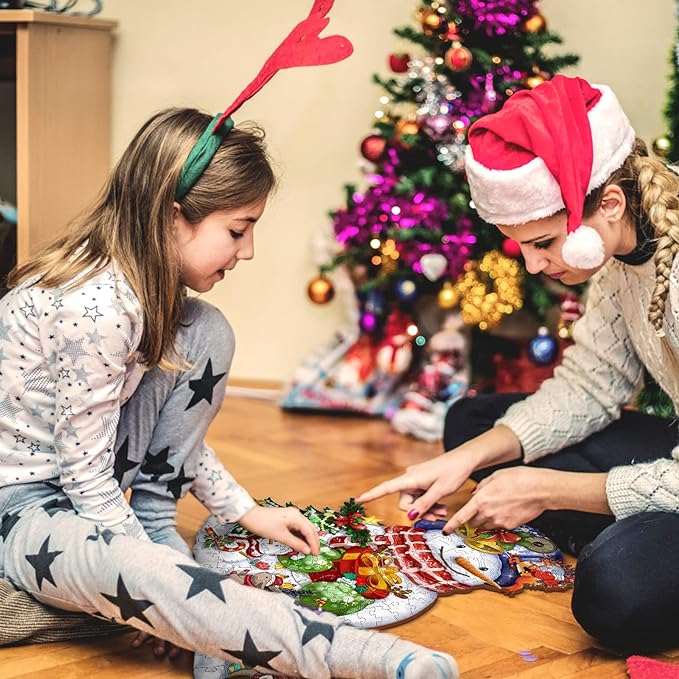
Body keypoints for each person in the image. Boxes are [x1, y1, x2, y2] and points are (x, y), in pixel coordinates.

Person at [0, 103, 458, 679]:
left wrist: (242, 511)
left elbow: (147, 429)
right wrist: (147, 575)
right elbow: (85, 474)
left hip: (90, 477)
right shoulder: (96, 308)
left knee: (206, 328)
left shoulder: (146, 297)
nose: (247, 252)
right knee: (151, 580)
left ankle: (161, 546)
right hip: (25, 508)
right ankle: (363, 659)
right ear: (171, 219)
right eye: (237, 231)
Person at [358, 74, 679, 656]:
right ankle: (617, 519)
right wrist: (470, 458)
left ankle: (612, 532)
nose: (533, 266)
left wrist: (548, 487)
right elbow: (591, 385)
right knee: (471, 426)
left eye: (544, 243)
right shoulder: (622, 245)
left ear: (608, 203)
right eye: (522, 246)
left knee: (614, 588)